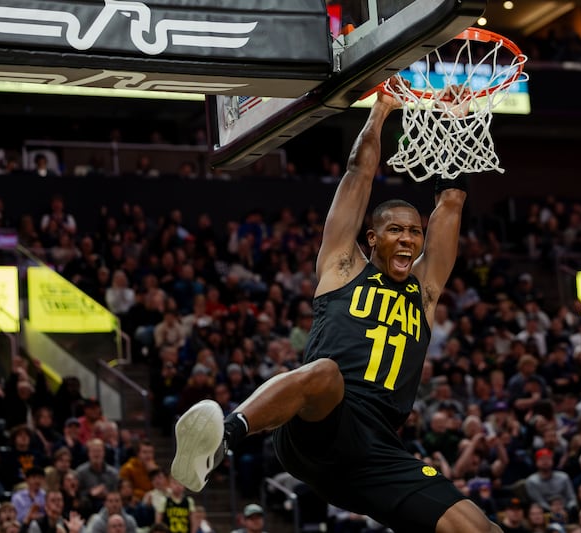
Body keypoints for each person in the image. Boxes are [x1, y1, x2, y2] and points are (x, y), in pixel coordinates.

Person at [172, 79, 498, 533]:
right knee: (325, 372)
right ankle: (222, 438)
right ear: (372, 239)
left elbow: (451, 203)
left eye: (414, 232)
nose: (407, 238)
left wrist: (458, 122)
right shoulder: (344, 266)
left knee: (479, 529)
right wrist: (381, 110)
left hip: (378, 449)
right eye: (396, 230)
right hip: (321, 426)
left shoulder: (424, 289)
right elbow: (358, 174)